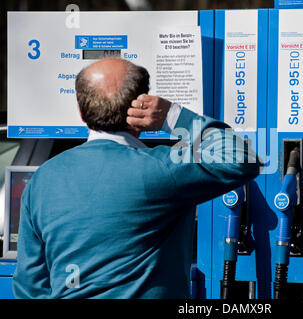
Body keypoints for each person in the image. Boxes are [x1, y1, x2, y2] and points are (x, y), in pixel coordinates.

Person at [12, 58, 261, 298]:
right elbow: (242, 158)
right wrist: (173, 116)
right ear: (142, 107)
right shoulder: (164, 168)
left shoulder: (42, 180)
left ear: (80, 111)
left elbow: (30, 285)